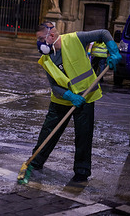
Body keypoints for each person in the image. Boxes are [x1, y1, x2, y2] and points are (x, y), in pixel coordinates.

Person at [30, 22, 121, 182]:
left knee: (84, 135)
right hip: (61, 100)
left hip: (86, 97)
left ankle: (82, 170)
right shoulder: (45, 59)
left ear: (51, 36)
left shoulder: (75, 39)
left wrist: (113, 51)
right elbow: (54, 86)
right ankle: (35, 161)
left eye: (39, 39)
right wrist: (70, 96)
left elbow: (103, 33)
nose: (38, 43)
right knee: (49, 132)